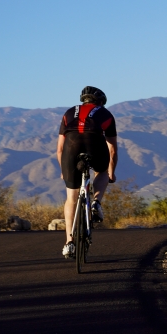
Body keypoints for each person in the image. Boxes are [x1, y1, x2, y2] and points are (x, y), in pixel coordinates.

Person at [56, 86, 118, 258]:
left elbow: (60, 149)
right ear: (100, 102)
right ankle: (96, 203)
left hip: (71, 148)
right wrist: (110, 173)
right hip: (95, 144)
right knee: (102, 171)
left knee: (71, 198)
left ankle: (69, 242)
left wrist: (64, 170)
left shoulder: (69, 113)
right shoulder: (106, 114)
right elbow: (112, 150)